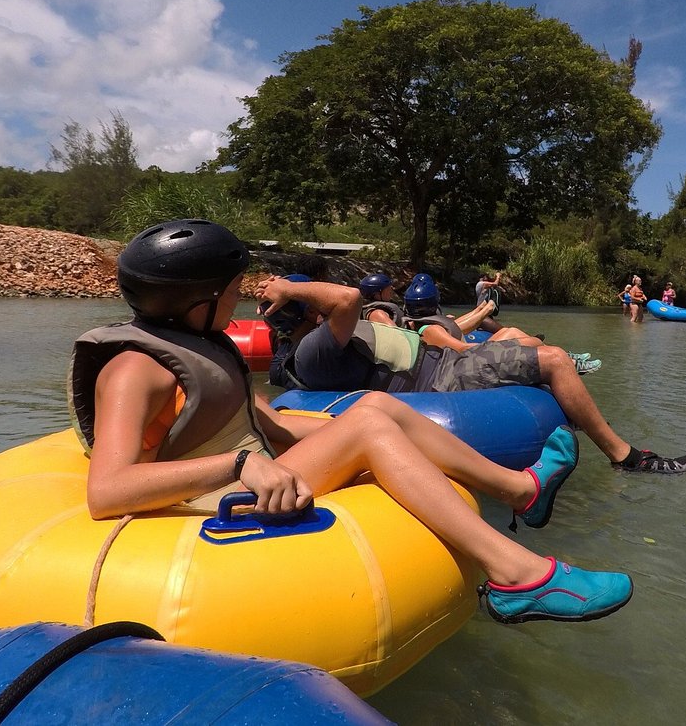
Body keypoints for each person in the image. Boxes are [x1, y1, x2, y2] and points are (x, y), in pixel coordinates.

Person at [71, 219, 633, 625]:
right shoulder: (133, 369)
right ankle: (518, 576)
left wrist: (350, 426)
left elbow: (267, 426)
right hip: (208, 498)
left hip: (248, 471)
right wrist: (241, 465)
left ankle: (519, 491)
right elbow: (108, 490)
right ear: (201, 300)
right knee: (370, 429)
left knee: (376, 410)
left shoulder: (198, 343)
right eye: (235, 291)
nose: (243, 303)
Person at [259, 274, 686, 475]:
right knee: (557, 360)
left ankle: (586, 426)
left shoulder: (323, 337)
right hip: (437, 383)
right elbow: (348, 296)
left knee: (543, 354)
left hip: (442, 367)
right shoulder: (312, 351)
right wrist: (289, 289)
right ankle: (626, 458)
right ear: (308, 311)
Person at [398, 273, 602, 376]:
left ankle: (567, 356)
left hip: (466, 359)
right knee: (521, 339)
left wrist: (482, 311)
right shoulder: (430, 329)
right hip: (467, 364)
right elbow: (462, 350)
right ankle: (569, 362)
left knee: (511, 331)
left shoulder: (427, 323)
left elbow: (457, 329)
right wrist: (505, 348)